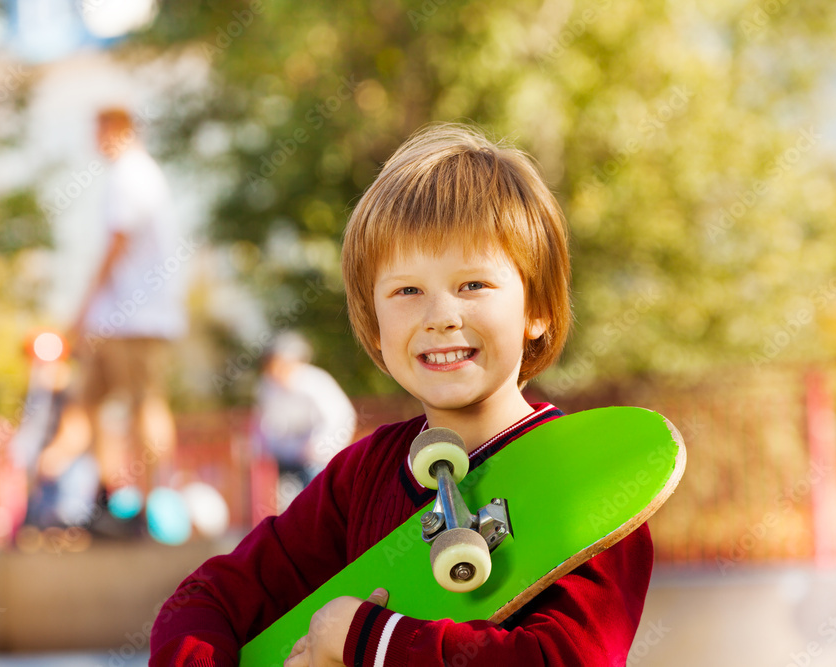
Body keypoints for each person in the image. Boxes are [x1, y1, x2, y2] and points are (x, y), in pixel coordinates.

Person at [150, 123, 652, 665]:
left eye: (473, 284)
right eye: (407, 290)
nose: (441, 317)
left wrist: (366, 639)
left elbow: (565, 658)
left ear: (538, 310)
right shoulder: (360, 478)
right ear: (375, 325)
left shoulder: (594, 479)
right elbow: (204, 602)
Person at [38, 106, 189, 543]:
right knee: (88, 406)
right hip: (116, 320)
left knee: (144, 404)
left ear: (119, 130)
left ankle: (153, 503)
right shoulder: (130, 176)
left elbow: (116, 245)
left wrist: (80, 310)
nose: (96, 142)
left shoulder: (132, 174)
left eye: (100, 132)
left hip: (140, 318)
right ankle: (109, 501)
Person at [252, 331, 357, 509]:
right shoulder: (267, 387)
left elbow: (341, 418)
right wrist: (270, 449)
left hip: (318, 460)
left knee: (317, 501)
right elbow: (267, 426)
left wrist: (317, 448)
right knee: (284, 504)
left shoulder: (315, 382)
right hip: (287, 459)